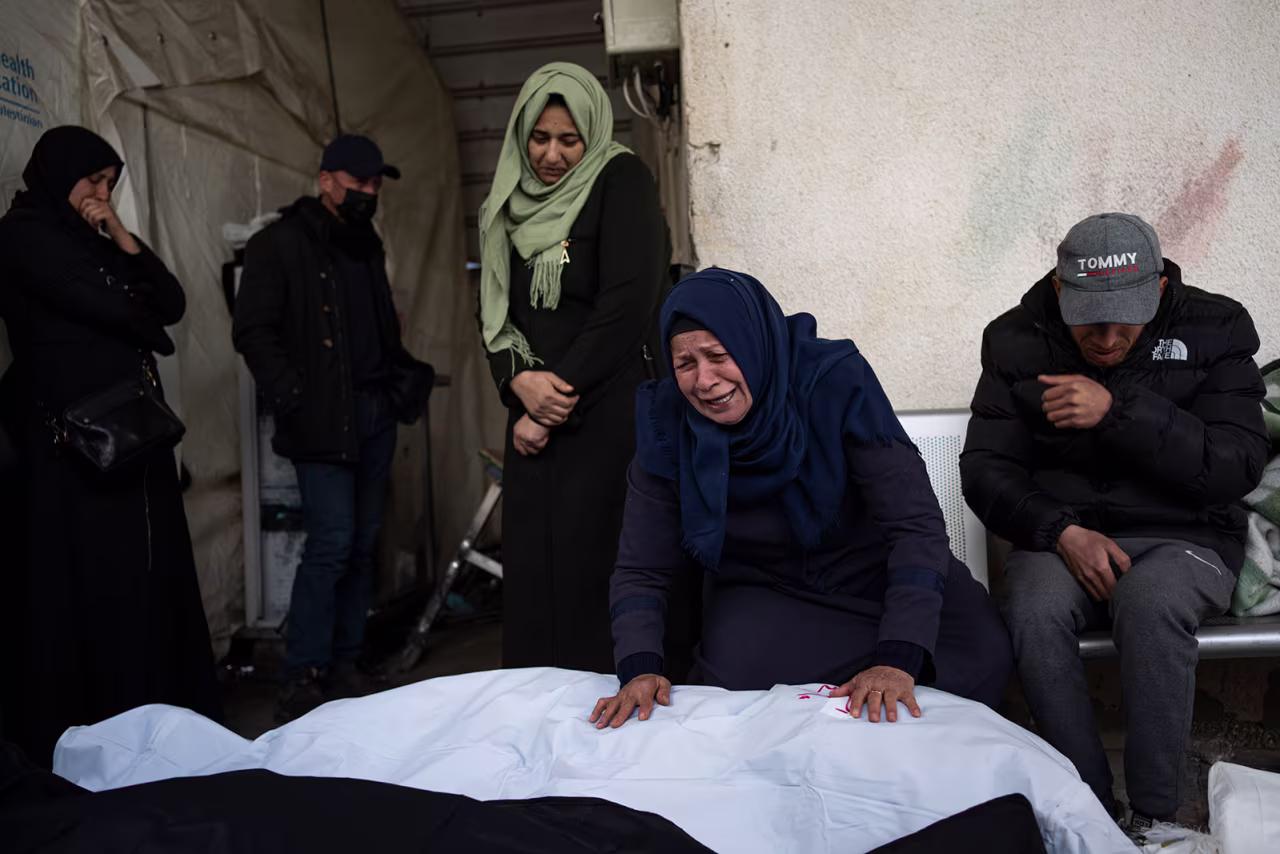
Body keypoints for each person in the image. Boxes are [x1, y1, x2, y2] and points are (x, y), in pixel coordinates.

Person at [591, 269, 1012, 729]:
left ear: (752, 343)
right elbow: (641, 567)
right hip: (768, 593)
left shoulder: (833, 382)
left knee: (979, 654)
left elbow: (915, 527)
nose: (705, 380)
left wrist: (898, 658)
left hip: (879, 578)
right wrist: (638, 668)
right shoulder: (666, 422)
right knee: (737, 705)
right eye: (685, 364)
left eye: (718, 355)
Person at [960, 213, 1268, 830]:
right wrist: (1060, 532)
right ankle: (1091, 813)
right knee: (1032, 607)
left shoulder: (1217, 326)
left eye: (1125, 317)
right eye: (1088, 319)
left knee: (1151, 600)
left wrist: (1119, 411)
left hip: (1188, 536)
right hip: (1064, 539)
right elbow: (986, 470)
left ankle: (1157, 820)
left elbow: (1236, 464)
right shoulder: (1014, 339)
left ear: (1158, 289)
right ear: (1058, 290)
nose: (1105, 338)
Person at [0, 126, 221, 765]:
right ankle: (91, 724)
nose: (101, 193)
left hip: (129, 435)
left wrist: (121, 234)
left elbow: (168, 304)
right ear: (58, 174)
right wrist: (130, 300)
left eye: (110, 183)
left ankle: (150, 714)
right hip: (70, 443)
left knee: (143, 576)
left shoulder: (91, 241)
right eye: (92, 180)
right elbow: (122, 312)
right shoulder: (23, 235)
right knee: (87, 581)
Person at [477, 62, 671, 673]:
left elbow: (627, 306)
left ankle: (614, 707)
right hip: (531, 419)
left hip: (605, 413)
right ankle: (539, 711)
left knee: (602, 569)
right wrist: (517, 380)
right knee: (536, 577)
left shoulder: (622, 180)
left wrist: (551, 402)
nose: (552, 155)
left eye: (569, 139)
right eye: (539, 138)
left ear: (592, 133)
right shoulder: (508, 202)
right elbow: (493, 309)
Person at [233, 135, 434, 722]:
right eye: (358, 183)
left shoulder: (366, 243)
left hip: (374, 412)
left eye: (375, 184)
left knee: (363, 543)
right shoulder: (279, 244)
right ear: (326, 181)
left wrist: (398, 382)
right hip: (322, 420)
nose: (369, 193)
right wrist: (295, 396)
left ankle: (345, 664)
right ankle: (302, 673)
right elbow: (252, 331)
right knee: (331, 543)